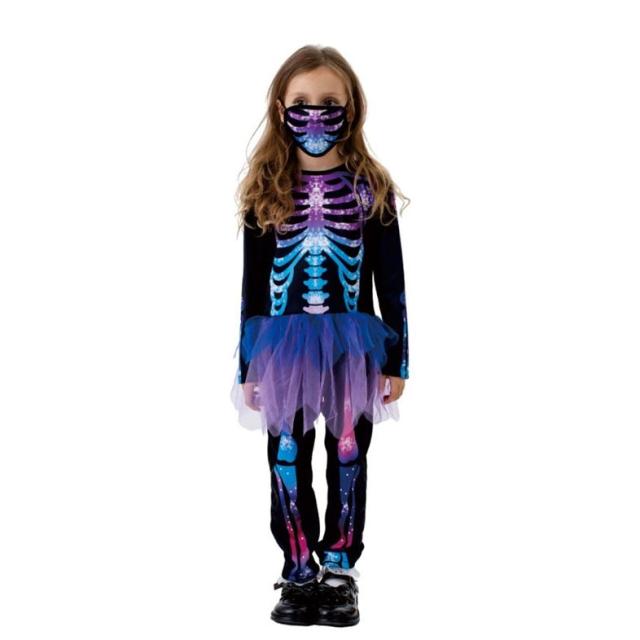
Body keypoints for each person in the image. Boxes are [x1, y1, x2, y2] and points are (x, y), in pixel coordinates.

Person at [229, 45, 410, 627]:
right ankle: (298, 568)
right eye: (302, 101)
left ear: (352, 108)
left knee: (349, 448)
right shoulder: (266, 188)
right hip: (282, 347)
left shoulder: (369, 187)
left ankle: (340, 569)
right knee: (285, 453)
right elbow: (252, 286)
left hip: (354, 346)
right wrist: (246, 367)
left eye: (329, 101)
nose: (315, 112)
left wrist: (398, 360)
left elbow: (391, 281)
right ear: (280, 108)